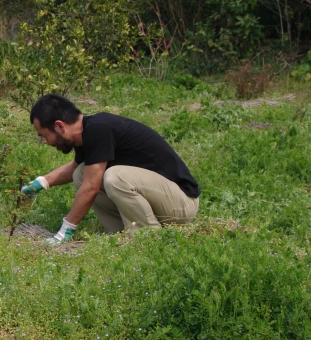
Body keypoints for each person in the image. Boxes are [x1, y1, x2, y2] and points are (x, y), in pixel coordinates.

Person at [22, 94, 200, 245]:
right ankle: (119, 235)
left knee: (114, 177)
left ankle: (147, 240)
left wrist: (65, 231)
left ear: (60, 126)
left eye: (45, 136)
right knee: (80, 174)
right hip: (163, 200)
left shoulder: (99, 130)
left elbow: (91, 188)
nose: (47, 142)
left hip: (181, 205)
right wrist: (41, 182)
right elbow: (75, 169)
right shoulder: (86, 133)